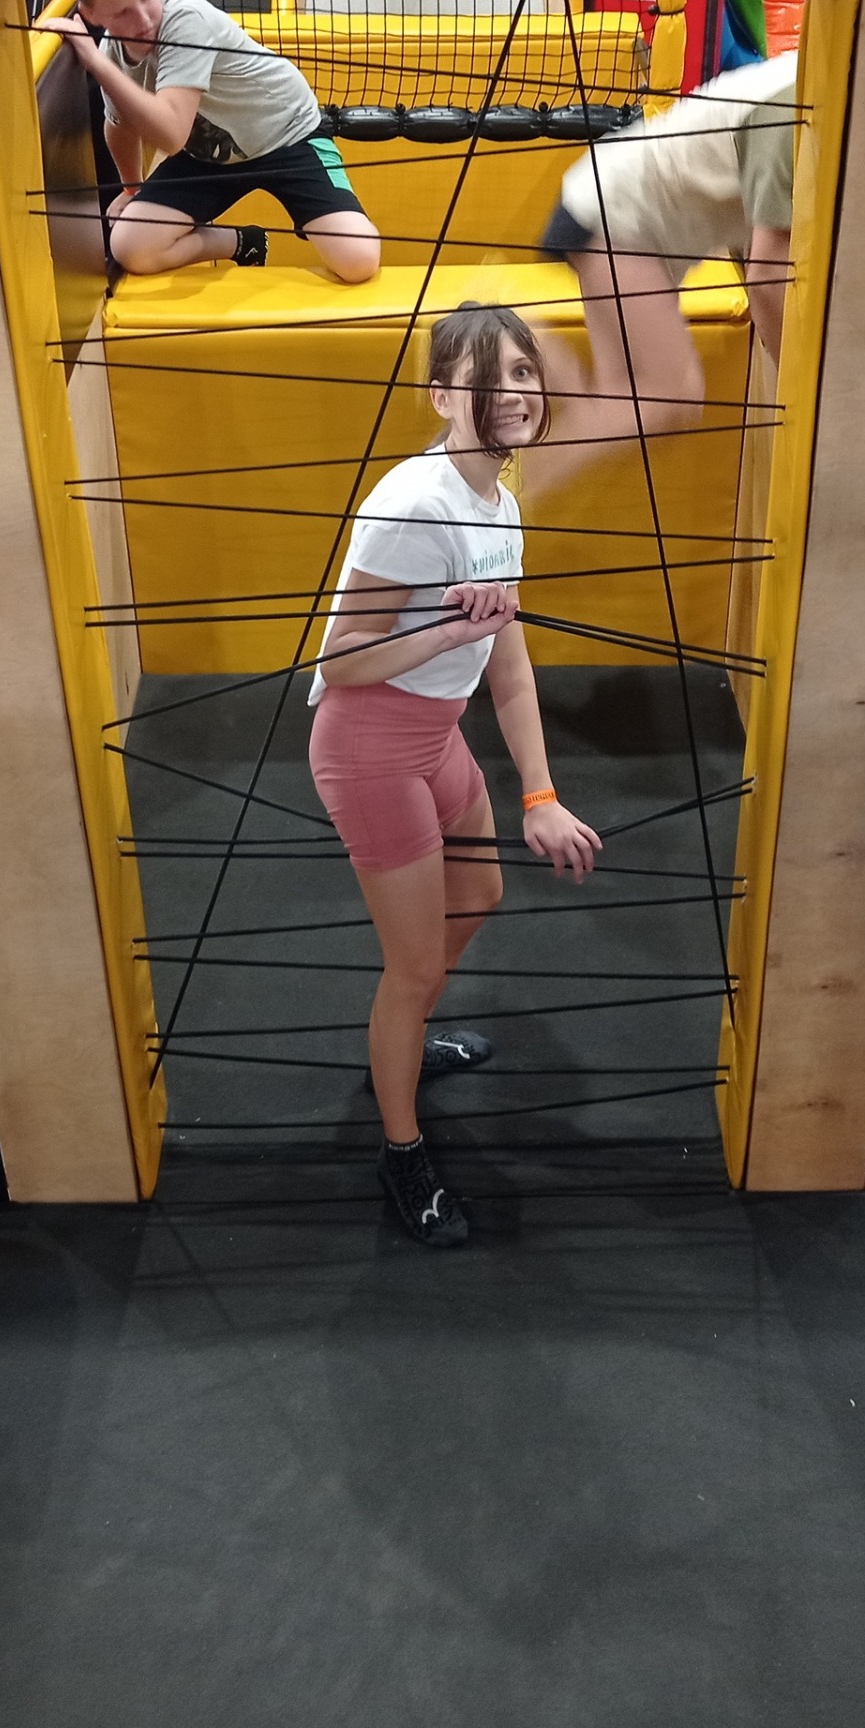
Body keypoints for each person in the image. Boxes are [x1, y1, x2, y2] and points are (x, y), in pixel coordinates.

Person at [308, 303, 602, 1246]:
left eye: (524, 372)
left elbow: (508, 665)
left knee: (478, 895)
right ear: (442, 395)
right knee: (415, 966)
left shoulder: (500, 504)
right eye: (490, 375)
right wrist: (446, 627)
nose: (514, 392)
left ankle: (400, 1039)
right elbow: (339, 661)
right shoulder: (416, 504)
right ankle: (402, 1149)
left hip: (435, 738)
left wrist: (541, 796)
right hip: (369, 749)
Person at [532, 53, 796, 496]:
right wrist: (806, 384)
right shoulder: (790, 112)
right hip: (616, 214)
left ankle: (529, 346)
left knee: (618, 403)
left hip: (606, 197)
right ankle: (511, 486)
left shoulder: (803, 86)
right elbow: (767, 277)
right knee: (671, 397)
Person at [37, 0, 381, 283]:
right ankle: (243, 242)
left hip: (288, 135)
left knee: (359, 260)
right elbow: (119, 127)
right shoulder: (113, 54)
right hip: (210, 153)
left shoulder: (186, 19)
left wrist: (96, 64)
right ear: (92, 16)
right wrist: (131, 189)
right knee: (130, 247)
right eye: (122, 13)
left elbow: (171, 135)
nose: (142, 19)